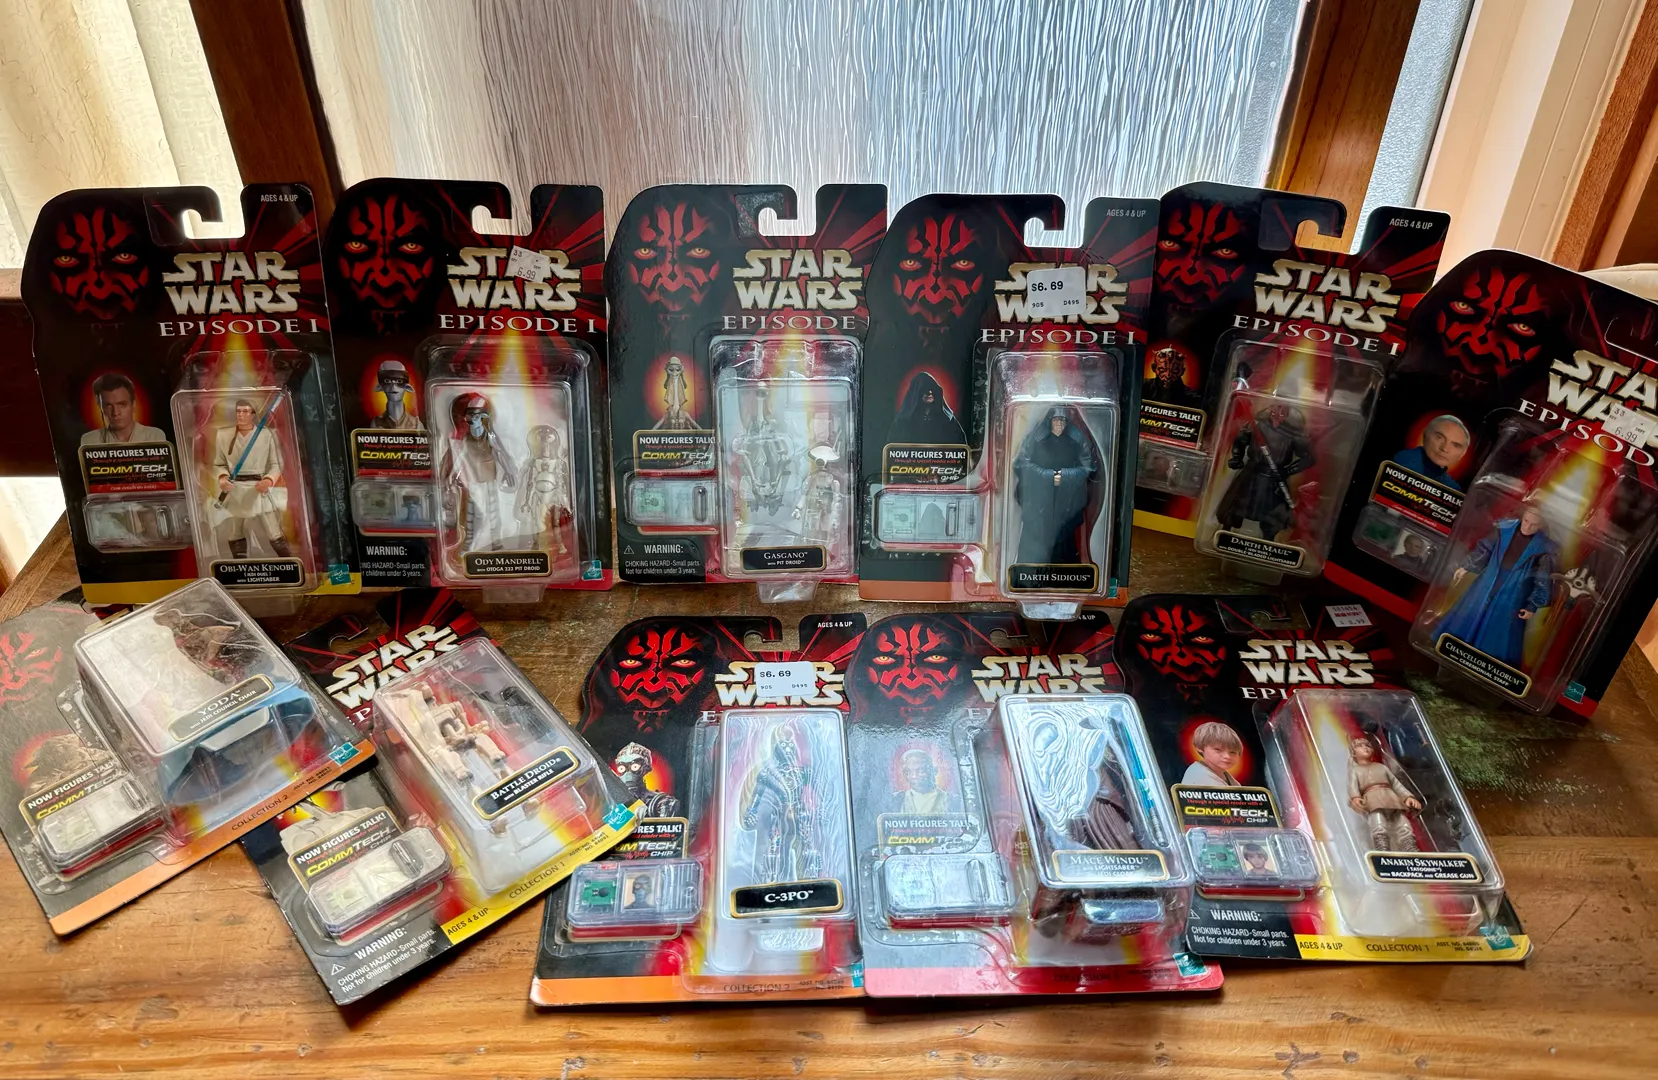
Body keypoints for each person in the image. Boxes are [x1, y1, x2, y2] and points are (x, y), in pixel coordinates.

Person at [1436, 503, 1556, 669]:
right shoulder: (1503, 529)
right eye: (1526, 521)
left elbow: (1543, 579)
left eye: (1534, 524)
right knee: (1468, 616)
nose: (1527, 527)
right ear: (1522, 517)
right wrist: (1467, 566)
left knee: (1500, 631)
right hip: (1487, 581)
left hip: (1515, 593)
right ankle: (1449, 654)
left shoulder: (1544, 548)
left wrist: (1532, 605)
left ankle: (1490, 667)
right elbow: (1484, 550)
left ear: (1541, 525)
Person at [1012, 409, 1097, 564]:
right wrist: (1048, 477)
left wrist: (1065, 477)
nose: (1059, 424)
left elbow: (1090, 468)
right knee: (1033, 544)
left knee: (1065, 545)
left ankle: (1066, 573)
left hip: (1067, 502)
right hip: (1038, 503)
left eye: (1063, 420)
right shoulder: (1036, 437)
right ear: (1050, 421)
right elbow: (1020, 464)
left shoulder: (1077, 439)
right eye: (1056, 420)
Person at [212, 399, 291, 559]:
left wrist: (268, 480)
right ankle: (240, 564)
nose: (241, 415)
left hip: (259, 488)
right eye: (238, 411)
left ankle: (289, 562)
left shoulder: (266, 434)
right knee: (235, 532)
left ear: (253, 414)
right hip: (235, 489)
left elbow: (276, 464)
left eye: (245, 411)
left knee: (274, 532)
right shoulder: (223, 435)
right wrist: (222, 478)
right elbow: (218, 464)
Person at [1346, 737, 1421, 851]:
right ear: (1354, 753)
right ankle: (1382, 849)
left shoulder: (1382, 767)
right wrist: (1355, 798)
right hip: (1373, 800)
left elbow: (1396, 784)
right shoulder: (1355, 770)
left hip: (1391, 798)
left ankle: (1410, 849)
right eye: (1360, 746)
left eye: (1368, 745)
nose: (1365, 748)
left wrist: (1407, 797)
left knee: (1403, 824)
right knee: (1378, 825)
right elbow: (1352, 786)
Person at [81, 373, 166, 446]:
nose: (116, 413)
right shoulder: (89, 440)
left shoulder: (154, 436)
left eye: (122, 405)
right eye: (108, 405)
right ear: (100, 407)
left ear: (133, 404)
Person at [887, 372, 967, 447]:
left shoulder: (949, 421)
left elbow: (961, 448)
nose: (929, 392)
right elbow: (892, 450)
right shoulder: (901, 422)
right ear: (916, 393)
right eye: (924, 389)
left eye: (932, 388)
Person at [1390, 414, 1470, 490]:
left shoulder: (1453, 488)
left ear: (1462, 454)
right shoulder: (1404, 461)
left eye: (1455, 445)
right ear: (1425, 435)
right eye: (1439, 437)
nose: (1445, 449)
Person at [1181, 721, 1243, 786]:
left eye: (1233, 752)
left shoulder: (1223, 775)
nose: (1227, 756)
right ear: (1200, 747)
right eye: (1218, 750)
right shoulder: (1198, 775)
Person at [369, 359, 423, 430]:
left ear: (407, 387)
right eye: (387, 381)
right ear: (381, 387)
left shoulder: (416, 424)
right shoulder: (377, 424)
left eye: (399, 381)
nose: (393, 387)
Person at [892, 748, 950, 815]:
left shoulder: (951, 800)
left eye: (921, 770)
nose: (914, 776)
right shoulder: (896, 800)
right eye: (908, 772)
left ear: (933, 771)